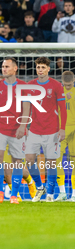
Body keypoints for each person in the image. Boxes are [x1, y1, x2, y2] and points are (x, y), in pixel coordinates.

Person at [0, 58, 31, 204]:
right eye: (2, 66)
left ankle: (14, 195)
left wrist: (23, 126)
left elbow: (26, 108)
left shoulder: (24, 86)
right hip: (0, 128)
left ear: (15, 68)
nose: (4, 69)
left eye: (7, 66)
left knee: (17, 162)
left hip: (17, 130)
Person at [23, 57, 67, 202]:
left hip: (52, 130)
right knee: (29, 160)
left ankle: (50, 194)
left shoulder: (56, 85)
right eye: (38, 67)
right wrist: (24, 126)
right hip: (34, 129)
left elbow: (62, 109)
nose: (40, 70)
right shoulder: (30, 85)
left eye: (43, 67)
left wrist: (62, 128)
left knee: (51, 163)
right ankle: (40, 187)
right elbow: (27, 108)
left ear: (48, 69)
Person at [55, 71, 75, 202]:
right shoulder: (57, 93)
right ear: (62, 82)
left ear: (73, 81)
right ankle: (62, 192)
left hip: (74, 130)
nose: (68, 87)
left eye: (70, 85)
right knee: (56, 160)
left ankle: (74, 194)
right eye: (66, 85)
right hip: (60, 131)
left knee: (73, 162)